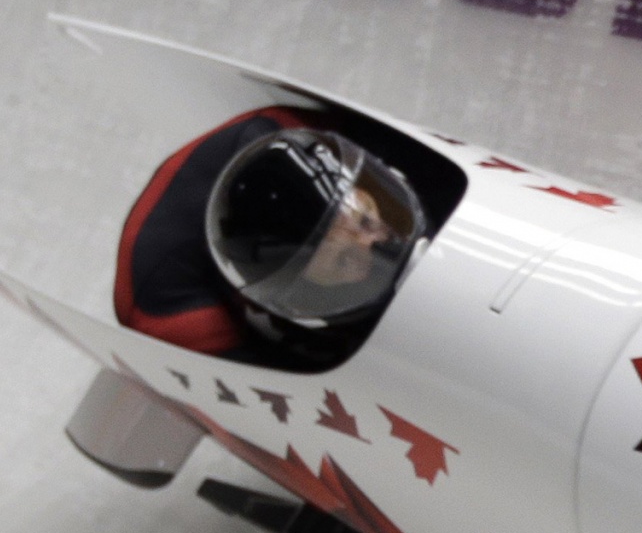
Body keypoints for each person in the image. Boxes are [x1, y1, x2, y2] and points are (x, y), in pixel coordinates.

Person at [115, 107, 425, 366]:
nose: (378, 245)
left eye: (367, 221)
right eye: (343, 259)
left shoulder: (300, 135)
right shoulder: (173, 317)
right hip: (175, 303)